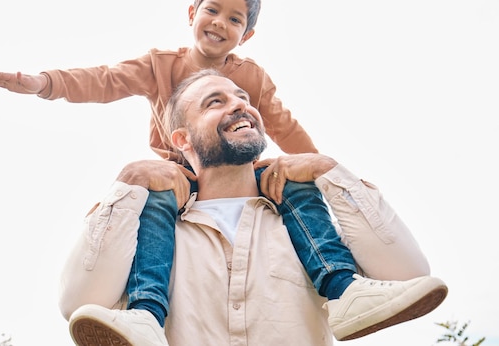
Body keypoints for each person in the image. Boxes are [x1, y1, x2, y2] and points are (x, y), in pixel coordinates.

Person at [0, 0, 424, 340]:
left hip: (246, 167)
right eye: (212, 10)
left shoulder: (250, 76)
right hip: (177, 175)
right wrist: (44, 84)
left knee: (292, 182)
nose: (219, 23)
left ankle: (344, 291)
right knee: (156, 205)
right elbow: (105, 79)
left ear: (246, 35)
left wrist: (318, 168)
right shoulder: (160, 65)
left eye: (234, 19)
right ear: (192, 13)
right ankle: (147, 313)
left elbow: (283, 126)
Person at [60, 70, 448, 345]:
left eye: (243, 99)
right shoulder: (152, 231)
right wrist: (129, 181)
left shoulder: (306, 223)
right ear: (182, 139)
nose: (240, 106)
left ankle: (344, 291)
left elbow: (408, 273)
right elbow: (79, 305)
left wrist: (329, 170)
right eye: (216, 102)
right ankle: (147, 314)